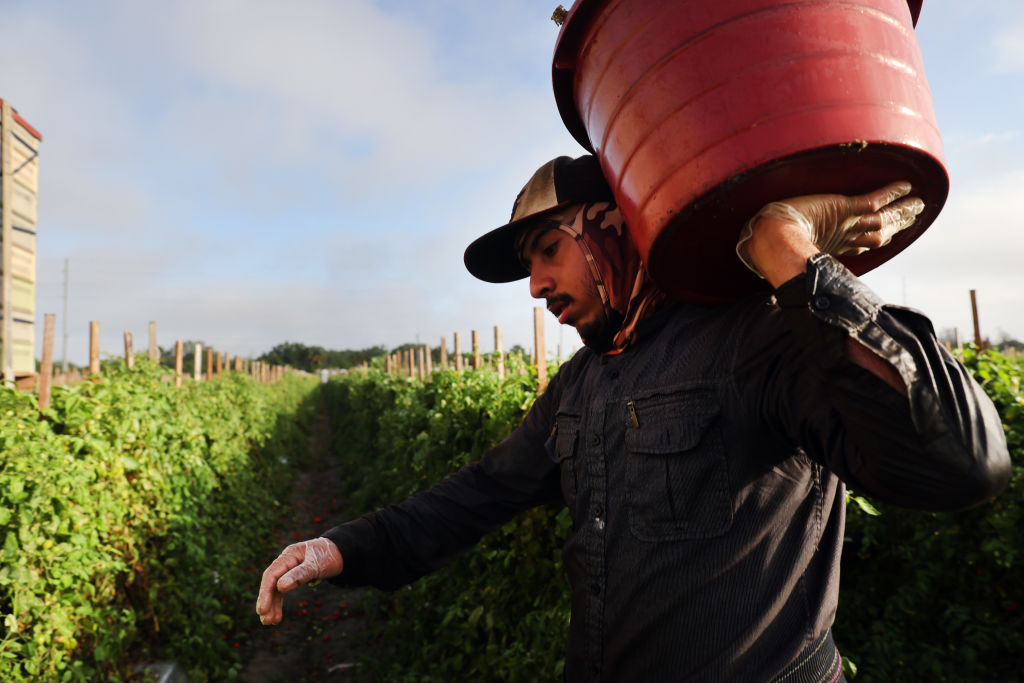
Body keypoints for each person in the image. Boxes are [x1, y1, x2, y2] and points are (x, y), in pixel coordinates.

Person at [256, 155, 1010, 682]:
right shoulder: (583, 382)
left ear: (617, 225)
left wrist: (795, 256)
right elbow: (477, 493)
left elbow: (961, 462)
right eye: (529, 265)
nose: (535, 284)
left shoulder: (758, 338)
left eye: (548, 249)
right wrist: (338, 548)